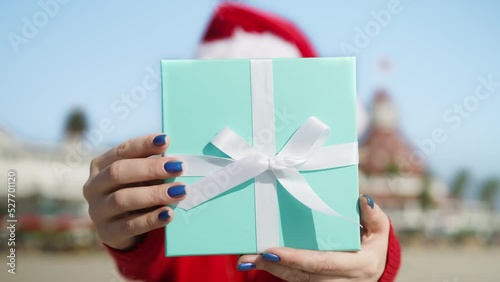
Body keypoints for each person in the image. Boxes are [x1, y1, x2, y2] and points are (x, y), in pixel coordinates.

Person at [83, 3, 401, 282]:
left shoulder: (332, 211)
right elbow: (153, 266)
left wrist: (379, 261)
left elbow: (359, 247)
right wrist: (133, 236)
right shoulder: (176, 199)